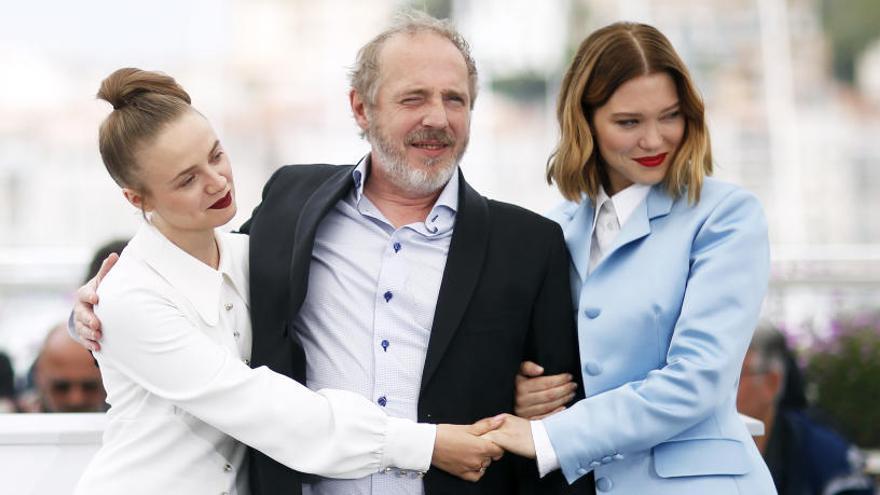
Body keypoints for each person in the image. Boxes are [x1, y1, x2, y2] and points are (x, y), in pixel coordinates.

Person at [73, 12, 583, 495]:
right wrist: (99, 310)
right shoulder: (290, 210)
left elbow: (558, 400)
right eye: (413, 98)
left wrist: (507, 395)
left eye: (455, 98)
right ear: (361, 107)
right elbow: (262, 404)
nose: (217, 182)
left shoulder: (241, 252)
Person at [484, 22, 777, 494]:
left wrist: (547, 434)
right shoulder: (554, 229)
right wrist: (521, 391)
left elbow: (698, 378)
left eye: (670, 116)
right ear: (585, 121)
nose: (654, 140)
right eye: (628, 122)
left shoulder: (726, 216)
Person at [738, 325, 875, 495]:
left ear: (771, 383)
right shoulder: (713, 447)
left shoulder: (825, 454)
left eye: (736, 375)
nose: (721, 388)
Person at [21, 322, 107, 413]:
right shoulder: (13, 420)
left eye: (90, 386)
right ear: (39, 377)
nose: (76, 400)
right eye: (61, 387)